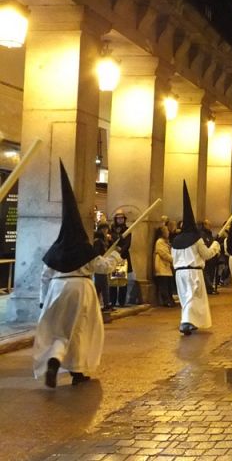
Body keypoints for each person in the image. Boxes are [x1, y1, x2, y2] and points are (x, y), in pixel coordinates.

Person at [32, 161, 121, 387]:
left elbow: (45, 274)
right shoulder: (84, 248)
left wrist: (43, 301)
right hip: (81, 289)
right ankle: (78, 371)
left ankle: (55, 358)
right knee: (80, 329)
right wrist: (117, 256)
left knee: (60, 331)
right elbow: (102, 266)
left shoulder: (56, 249)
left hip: (56, 288)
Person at [171, 181, 220, 335]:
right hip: (193, 271)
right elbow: (206, 254)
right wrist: (215, 246)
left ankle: (191, 322)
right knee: (192, 298)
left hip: (179, 273)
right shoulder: (196, 239)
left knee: (186, 298)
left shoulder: (176, 240)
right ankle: (185, 322)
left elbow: (174, 258)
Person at [108, 210, 131, 307]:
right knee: (112, 281)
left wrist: (121, 250)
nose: (120, 220)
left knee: (122, 281)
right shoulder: (111, 230)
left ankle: (121, 302)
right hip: (113, 257)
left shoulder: (127, 229)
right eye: (118, 218)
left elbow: (128, 243)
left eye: (122, 218)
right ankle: (112, 301)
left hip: (122, 257)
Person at [92, 221, 112, 311]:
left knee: (100, 286)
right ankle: (105, 304)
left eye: (106, 228)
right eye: (103, 229)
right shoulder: (98, 241)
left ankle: (98, 303)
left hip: (102, 265)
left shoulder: (104, 240)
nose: (105, 230)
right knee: (103, 285)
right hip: (100, 265)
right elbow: (97, 253)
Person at [153, 225, 174, 307]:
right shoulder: (160, 242)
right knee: (163, 285)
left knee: (168, 285)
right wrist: (173, 259)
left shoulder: (166, 242)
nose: (168, 232)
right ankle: (166, 301)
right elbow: (163, 253)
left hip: (166, 266)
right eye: (166, 230)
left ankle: (170, 299)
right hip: (162, 265)